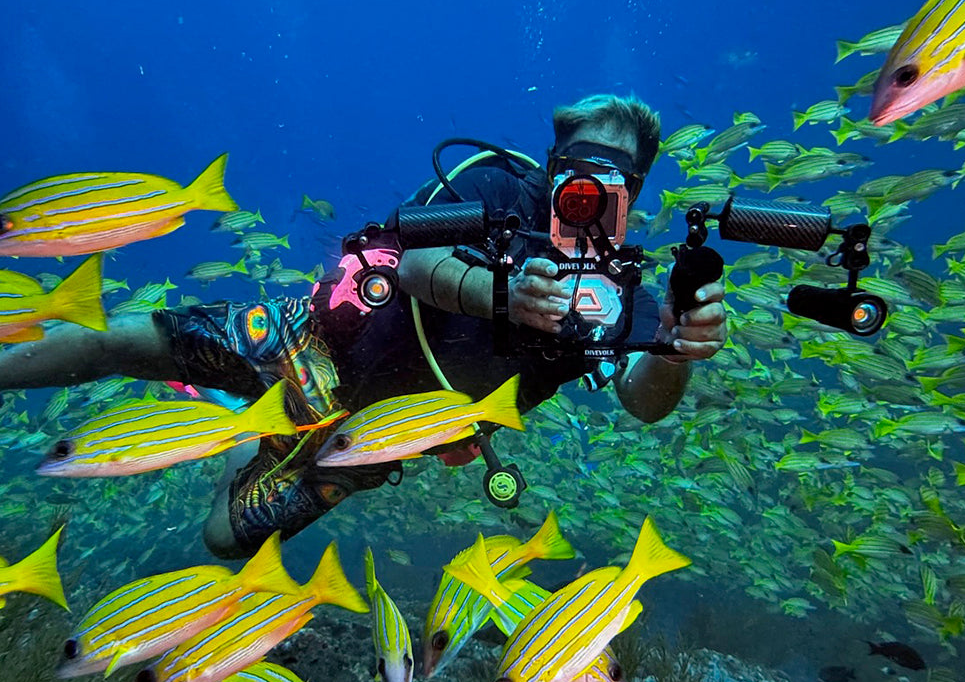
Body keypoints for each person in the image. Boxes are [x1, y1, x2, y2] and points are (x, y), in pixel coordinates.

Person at [0, 94, 728, 558]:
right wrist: (504, 294)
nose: (590, 191)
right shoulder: (493, 188)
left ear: (637, 190)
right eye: (579, 167)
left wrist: (678, 347)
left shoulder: (625, 294)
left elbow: (643, 398)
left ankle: (241, 428)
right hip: (308, 336)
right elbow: (414, 264)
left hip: (376, 439)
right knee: (115, 341)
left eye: (617, 179)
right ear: (552, 164)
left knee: (224, 538)